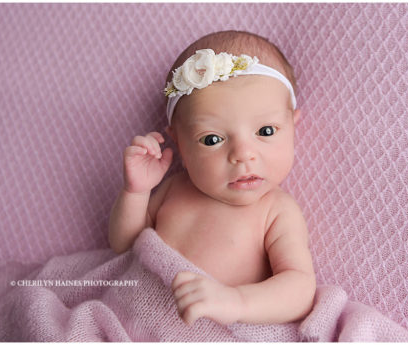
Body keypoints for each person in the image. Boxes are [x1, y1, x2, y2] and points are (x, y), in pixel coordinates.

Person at [108, 30, 316, 324]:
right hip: (131, 318)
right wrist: (136, 193)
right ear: (179, 143)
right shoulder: (172, 190)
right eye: (212, 139)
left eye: (265, 131)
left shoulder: (275, 211)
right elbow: (124, 245)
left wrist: (237, 302)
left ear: (292, 127)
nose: (243, 155)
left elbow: (299, 287)